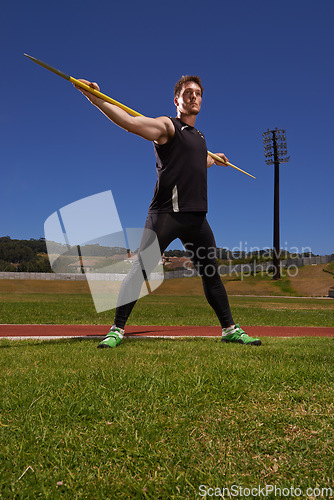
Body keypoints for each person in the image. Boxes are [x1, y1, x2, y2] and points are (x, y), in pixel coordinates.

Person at [74, 75, 261, 348]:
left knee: (211, 274)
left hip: (197, 218)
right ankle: (117, 329)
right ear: (177, 100)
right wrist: (94, 97)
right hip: (166, 215)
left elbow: (197, 160)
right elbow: (131, 123)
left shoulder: (199, 137)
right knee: (141, 270)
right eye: (188, 93)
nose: (194, 97)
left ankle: (229, 329)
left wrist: (214, 158)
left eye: (198, 93)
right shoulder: (167, 126)